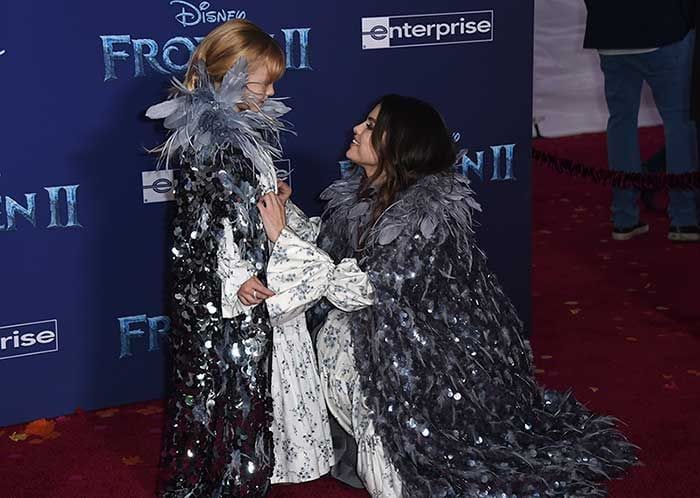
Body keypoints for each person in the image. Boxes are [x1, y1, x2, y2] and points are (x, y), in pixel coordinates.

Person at [255, 94, 638, 497]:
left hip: (420, 359)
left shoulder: (425, 217)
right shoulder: (362, 197)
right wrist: (288, 215)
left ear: (397, 146)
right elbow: (331, 256)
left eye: (370, 126)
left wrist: (282, 237)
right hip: (376, 333)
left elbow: (365, 288)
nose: (356, 129)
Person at [146, 19, 333, 497]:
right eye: (262, 82)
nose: (271, 93)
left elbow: (239, 206)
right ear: (225, 76)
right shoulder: (211, 144)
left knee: (247, 386)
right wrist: (236, 280)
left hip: (248, 277)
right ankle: (222, 480)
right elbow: (205, 230)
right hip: (227, 295)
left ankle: (242, 473)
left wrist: (274, 195)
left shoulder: (245, 134)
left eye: (274, 84)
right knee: (226, 389)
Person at [583, 0, 700, 242]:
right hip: (664, 29)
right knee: (679, 123)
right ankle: (684, 218)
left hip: (610, 32)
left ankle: (624, 218)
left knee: (621, 123)